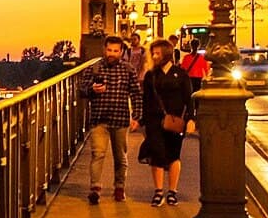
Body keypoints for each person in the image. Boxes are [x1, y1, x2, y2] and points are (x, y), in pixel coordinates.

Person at [80, 35, 142, 204]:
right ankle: (95, 189)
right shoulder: (94, 68)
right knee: (97, 154)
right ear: (104, 49)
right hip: (99, 119)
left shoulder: (128, 69)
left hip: (120, 119)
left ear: (121, 52)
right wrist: (92, 89)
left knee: (120, 156)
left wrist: (137, 116)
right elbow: (82, 90)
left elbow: (136, 93)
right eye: (109, 50)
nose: (112, 54)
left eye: (115, 51)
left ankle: (119, 188)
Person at [140, 38, 195, 206]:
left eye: (157, 53)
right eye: (153, 53)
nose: (154, 56)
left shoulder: (181, 74)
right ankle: (158, 191)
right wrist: (143, 121)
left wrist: (191, 118)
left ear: (167, 54)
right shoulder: (151, 75)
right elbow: (146, 100)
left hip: (175, 120)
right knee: (157, 153)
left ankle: (172, 191)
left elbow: (189, 98)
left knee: (173, 155)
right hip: (155, 120)